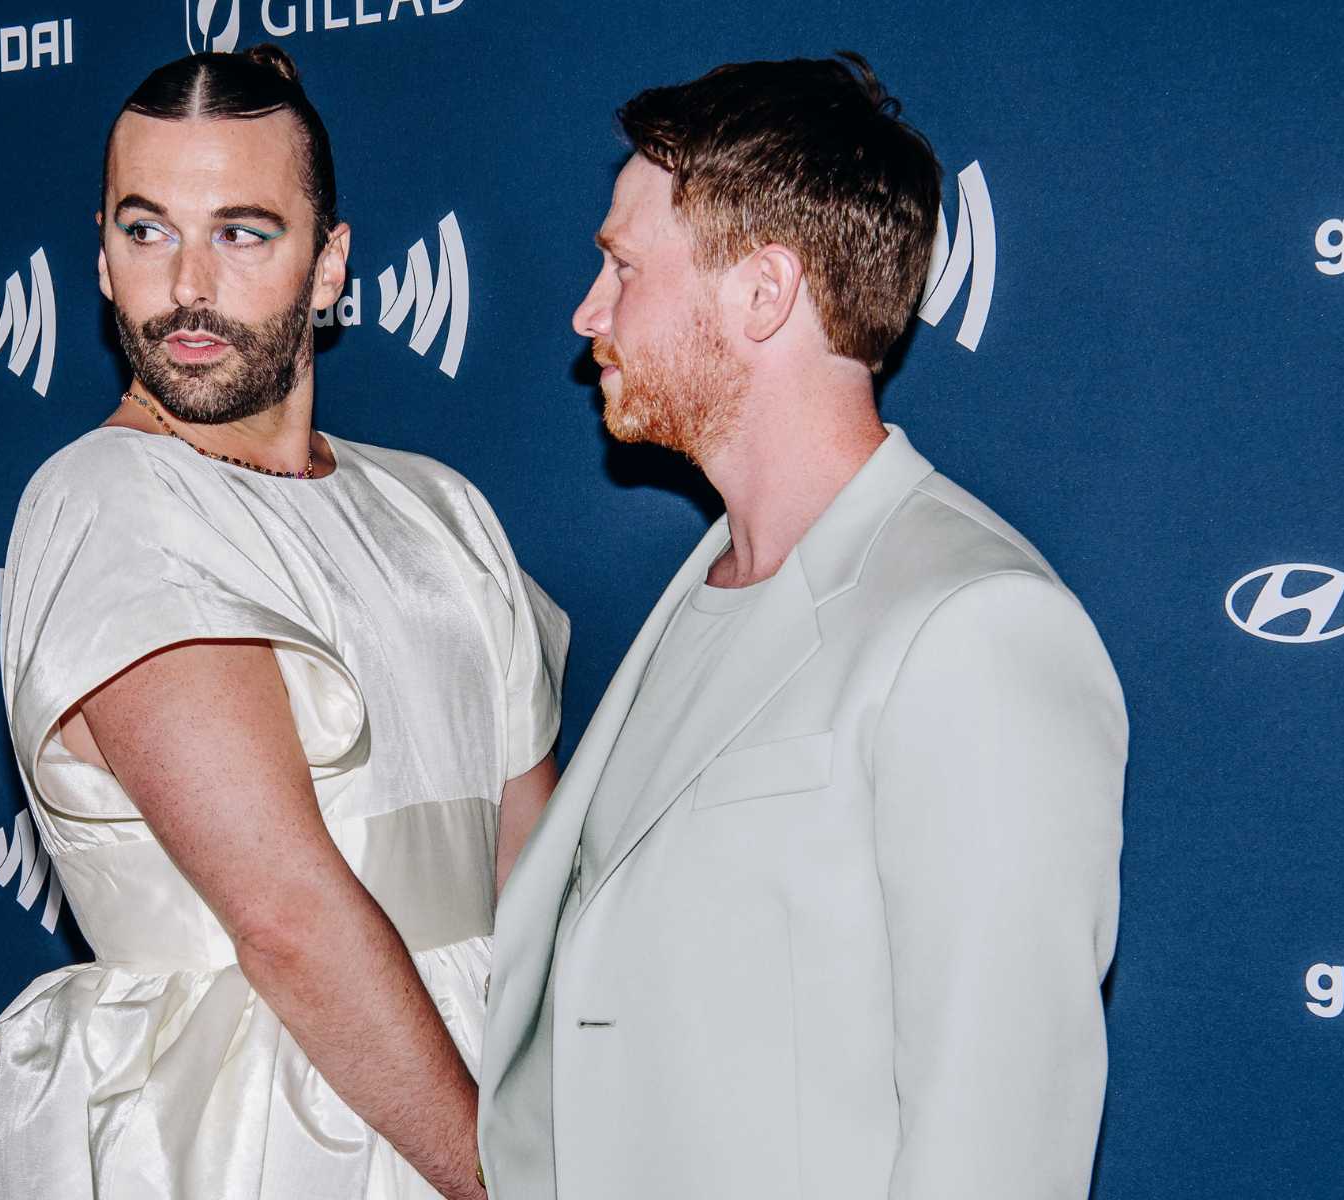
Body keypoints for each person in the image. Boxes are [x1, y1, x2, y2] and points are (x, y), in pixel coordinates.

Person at [479, 53, 1126, 1199]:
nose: (588, 315)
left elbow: (996, 1146)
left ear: (762, 294)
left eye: (623, 268)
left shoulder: (973, 626)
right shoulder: (697, 592)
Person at [0, 46, 564, 1200]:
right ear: (99, 254)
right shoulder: (110, 502)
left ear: (330, 265)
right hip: (258, 1140)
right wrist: (500, 1179)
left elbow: (535, 867)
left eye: (241, 232)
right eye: (146, 232)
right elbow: (290, 919)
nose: (187, 284)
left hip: (495, 1103)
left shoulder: (438, 509)